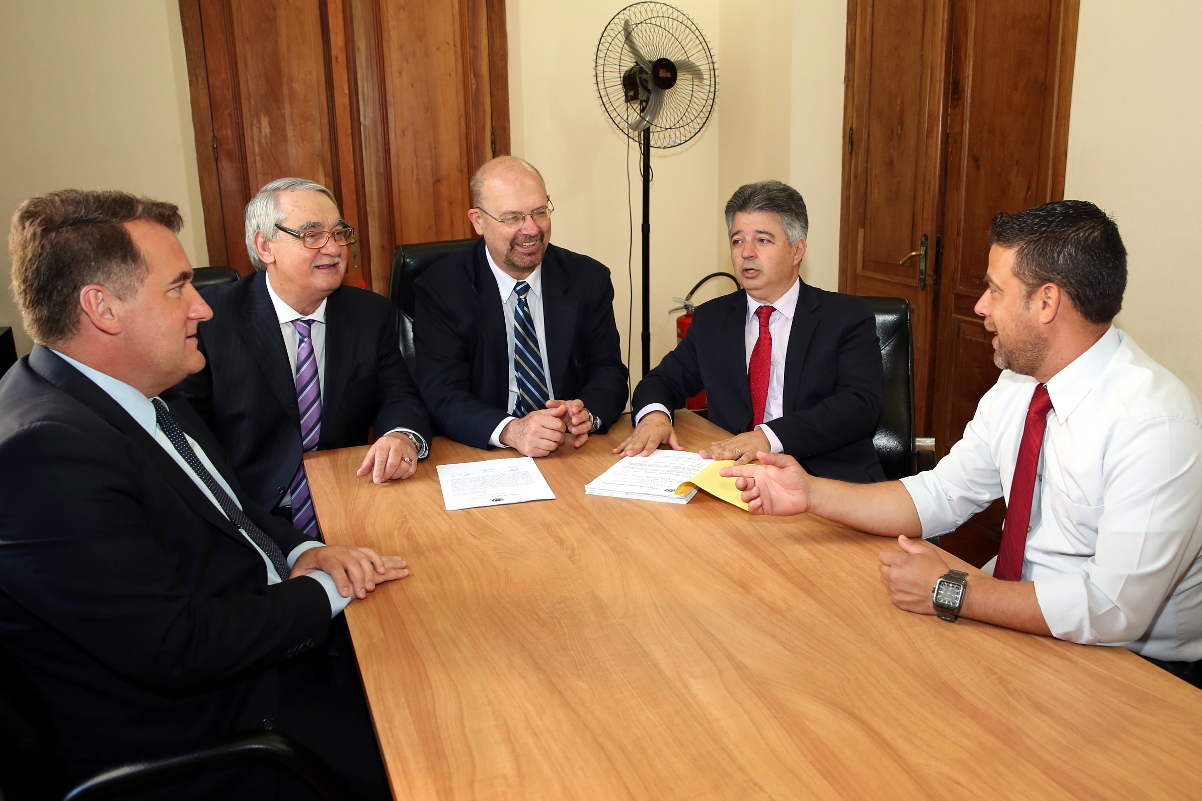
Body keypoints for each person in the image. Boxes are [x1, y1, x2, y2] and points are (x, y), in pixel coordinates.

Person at [0, 189, 408, 797]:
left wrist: (302, 553)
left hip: (252, 651)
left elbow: (235, 511)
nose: (203, 308)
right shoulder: (44, 453)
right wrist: (328, 589)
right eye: (178, 287)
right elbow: (177, 647)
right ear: (102, 308)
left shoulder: (137, 388)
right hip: (219, 733)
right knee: (453, 749)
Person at [723, 200, 1202, 685]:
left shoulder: (1154, 425)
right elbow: (943, 494)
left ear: (1047, 302)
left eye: (995, 289)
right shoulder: (1019, 387)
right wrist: (811, 493)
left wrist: (955, 591)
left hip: (1137, 669)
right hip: (1016, 621)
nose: (980, 306)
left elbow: (1113, 608)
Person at [179, 178, 431, 538]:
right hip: (245, 515)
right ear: (265, 246)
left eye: (339, 233)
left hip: (351, 499)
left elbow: (399, 395)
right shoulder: (210, 318)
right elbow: (189, 434)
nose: (333, 249)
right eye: (312, 235)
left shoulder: (370, 313)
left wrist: (401, 436)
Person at [615, 180, 885, 483]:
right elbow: (662, 381)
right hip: (735, 479)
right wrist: (655, 417)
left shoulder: (845, 317)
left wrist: (768, 438)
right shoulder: (712, 318)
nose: (746, 253)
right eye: (737, 241)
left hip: (825, 478)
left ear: (797, 250)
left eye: (763, 240)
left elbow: (859, 406)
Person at [414, 156, 627, 457]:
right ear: (478, 221)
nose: (530, 229)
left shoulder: (588, 279)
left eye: (539, 212)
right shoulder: (441, 288)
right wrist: (511, 431)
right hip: (484, 453)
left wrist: (584, 415)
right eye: (512, 218)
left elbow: (609, 372)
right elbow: (442, 394)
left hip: (569, 450)